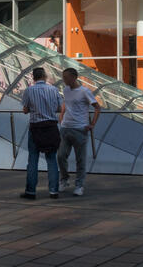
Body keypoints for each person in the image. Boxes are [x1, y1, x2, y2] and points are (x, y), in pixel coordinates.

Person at [20, 67, 62, 200]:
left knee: (33, 160)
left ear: (33, 77)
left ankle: (31, 191)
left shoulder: (29, 90)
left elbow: (25, 110)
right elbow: (60, 108)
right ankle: (54, 191)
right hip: (51, 127)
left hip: (36, 128)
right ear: (45, 76)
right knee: (51, 159)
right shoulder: (54, 90)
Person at [57, 68, 100, 197]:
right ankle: (64, 179)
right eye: (63, 77)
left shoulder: (84, 91)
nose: (64, 80)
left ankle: (79, 185)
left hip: (80, 129)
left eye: (66, 77)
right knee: (60, 156)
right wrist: (62, 115)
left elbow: (97, 107)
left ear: (74, 77)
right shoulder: (66, 90)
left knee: (80, 159)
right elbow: (66, 102)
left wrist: (92, 124)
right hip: (65, 128)